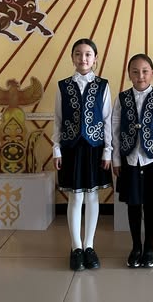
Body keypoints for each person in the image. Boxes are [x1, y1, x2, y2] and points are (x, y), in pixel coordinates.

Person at [52, 38, 113, 271]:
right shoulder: (63, 86)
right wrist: (56, 148)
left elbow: (107, 119)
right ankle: (76, 246)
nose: (83, 58)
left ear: (95, 58)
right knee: (75, 197)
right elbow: (58, 119)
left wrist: (108, 151)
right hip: (71, 147)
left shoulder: (103, 85)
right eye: (78, 54)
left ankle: (89, 246)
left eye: (88, 54)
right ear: (72, 58)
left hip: (95, 148)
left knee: (93, 196)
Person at [112, 53, 153, 268]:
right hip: (129, 159)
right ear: (129, 74)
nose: (140, 76)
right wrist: (116, 159)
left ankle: (149, 247)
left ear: (152, 73)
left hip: (151, 160)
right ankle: (136, 246)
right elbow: (115, 130)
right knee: (133, 204)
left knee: (150, 204)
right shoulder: (122, 98)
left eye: (145, 71)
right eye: (135, 72)